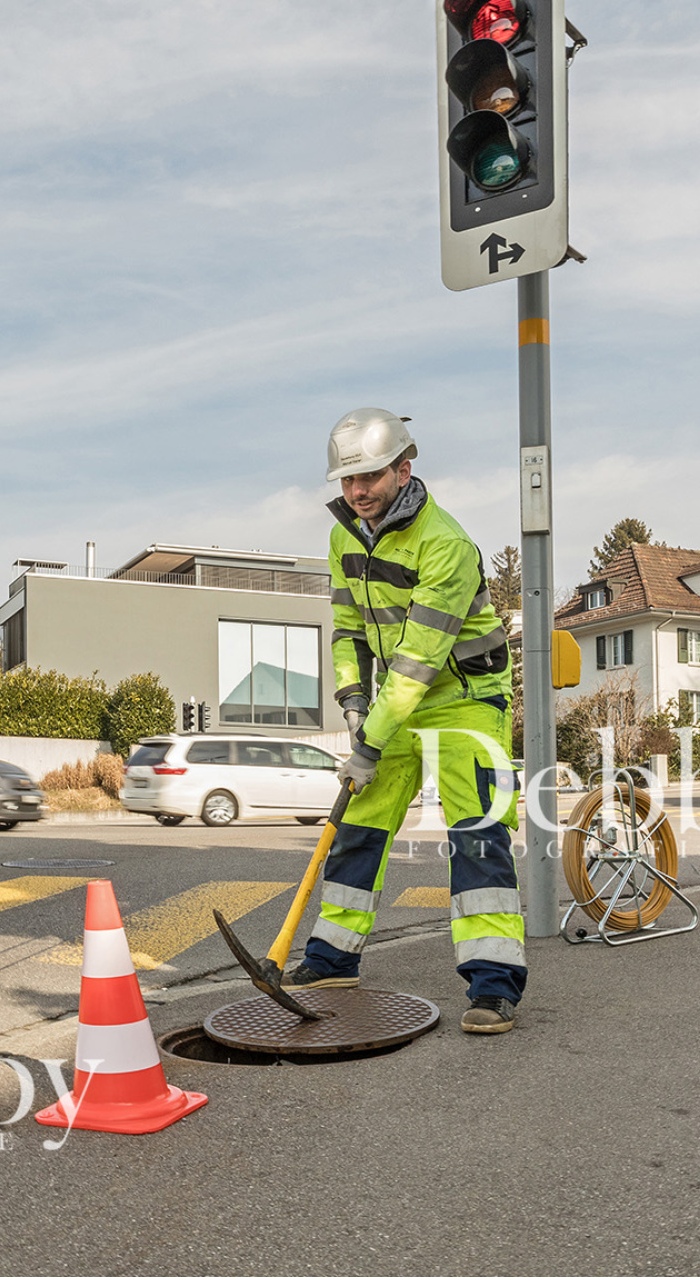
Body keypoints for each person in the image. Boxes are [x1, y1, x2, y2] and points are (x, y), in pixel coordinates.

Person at [284, 407, 527, 1034]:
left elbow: (419, 663)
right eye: (346, 480)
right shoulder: (344, 537)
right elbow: (347, 629)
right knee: (359, 825)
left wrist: (369, 742)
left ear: (404, 468)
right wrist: (352, 704)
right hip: (395, 700)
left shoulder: (443, 543)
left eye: (369, 476)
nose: (357, 491)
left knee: (476, 833)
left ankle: (493, 984)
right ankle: (332, 958)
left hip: (465, 699)